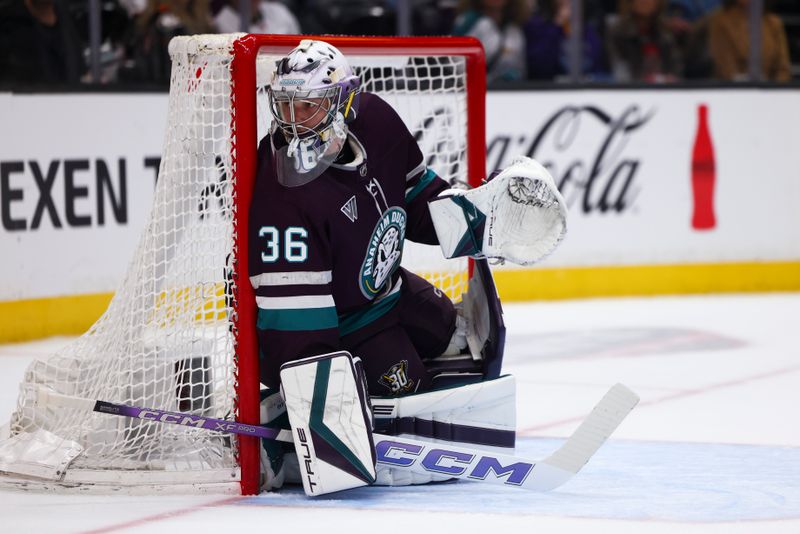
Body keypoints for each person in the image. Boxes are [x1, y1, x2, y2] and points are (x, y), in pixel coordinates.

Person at [249, 40, 466, 399]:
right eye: (285, 107)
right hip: (347, 326)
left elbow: (417, 199)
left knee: (457, 335)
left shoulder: (376, 119)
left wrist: (474, 217)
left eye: (307, 106)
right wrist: (324, 403)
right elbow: (297, 324)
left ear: (344, 102)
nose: (294, 121)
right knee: (414, 403)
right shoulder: (282, 193)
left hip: (392, 290)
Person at [707, 0, 791, 81]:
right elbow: (727, 70)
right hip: (733, 91)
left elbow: (783, 69)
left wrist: (776, 89)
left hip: (770, 91)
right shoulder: (721, 22)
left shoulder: (774, 23)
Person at [524, 0, 608, 81]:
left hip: (586, 90)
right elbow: (538, 68)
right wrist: (557, 25)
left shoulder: (590, 32)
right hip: (549, 90)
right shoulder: (536, 26)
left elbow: (597, 68)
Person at [452, 0, 530, 83]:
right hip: (474, 90)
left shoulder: (515, 27)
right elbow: (454, 61)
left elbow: (520, 67)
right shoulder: (468, 22)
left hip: (511, 91)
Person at [606, 0, 683, 82]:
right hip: (630, 90)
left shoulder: (665, 32)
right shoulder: (617, 32)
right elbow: (618, 70)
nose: (645, 1)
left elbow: (676, 69)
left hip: (666, 91)